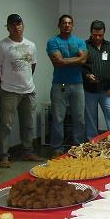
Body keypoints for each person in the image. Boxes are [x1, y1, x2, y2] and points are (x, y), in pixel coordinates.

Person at [0, 14, 43, 168]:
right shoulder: (2, 46)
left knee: (28, 124)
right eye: (12, 25)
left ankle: (28, 151)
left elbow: (32, 66)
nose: (16, 27)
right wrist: (2, 85)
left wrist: (25, 82)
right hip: (9, 92)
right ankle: (4, 156)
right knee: (6, 125)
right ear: (8, 27)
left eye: (19, 24)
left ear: (23, 25)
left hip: (28, 91)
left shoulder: (31, 45)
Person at [46, 14, 87, 157]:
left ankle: (78, 147)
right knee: (58, 118)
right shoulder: (53, 42)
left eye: (69, 23)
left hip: (78, 84)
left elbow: (83, 61)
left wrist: (65, 61)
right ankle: (57, 148)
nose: (67, 25)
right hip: (59, 84)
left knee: (80, 118)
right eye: (64, 23)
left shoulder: (80, 41)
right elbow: (57, 62)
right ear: (59, 25)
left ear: (73, 25)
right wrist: (77, 59)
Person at [82, 20, 110, 140]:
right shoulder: (84, 46)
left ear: (104, 33)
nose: (98, 37)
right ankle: (92, 142)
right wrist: (87, 75)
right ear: (91, 32)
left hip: (107, 89)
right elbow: (79, 66)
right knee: (90, 118)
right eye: (95, 35)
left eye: (100, 35)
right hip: (89, 90)